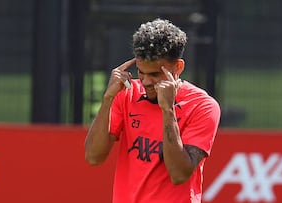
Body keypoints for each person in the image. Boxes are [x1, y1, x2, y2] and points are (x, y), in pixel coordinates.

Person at [85, 18, 221, 203]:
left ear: (178, 67)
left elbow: (179, 174)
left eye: (155, 74)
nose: (146, 82)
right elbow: (94, 157)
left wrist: (168, 110)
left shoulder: (202, 106)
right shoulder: (126, 94)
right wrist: (107, 99)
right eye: (141, 72)